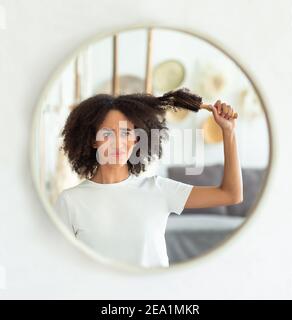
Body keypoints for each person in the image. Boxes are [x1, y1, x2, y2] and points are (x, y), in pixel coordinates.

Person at [54, 87, 243, 268]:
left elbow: (231, 194)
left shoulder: (159, 190)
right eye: (107, 133)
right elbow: (61, 268)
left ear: (136, 139)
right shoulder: (70, 201)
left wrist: (229, 132)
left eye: (126, 132)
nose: (118, 143)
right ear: (93, 139)